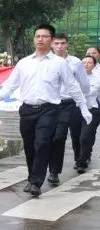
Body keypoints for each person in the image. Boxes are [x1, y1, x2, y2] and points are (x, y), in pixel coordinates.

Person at [0, 24, 90, 197]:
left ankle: (37, 181)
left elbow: (73, 86)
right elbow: (9, 86)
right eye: (37, 36)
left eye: (45, 36)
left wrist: (83, 107)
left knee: (43, 143)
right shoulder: (23, 63)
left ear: (51, 40)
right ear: (34, 39)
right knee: (30, 146)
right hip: (27, 110)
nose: (40, 39)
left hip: (49, 110)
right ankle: (31, 177)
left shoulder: (60, 63)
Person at [46, 33, 91, 185]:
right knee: (52, 137)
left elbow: (84, 84)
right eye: (57, 43)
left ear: (67, 45)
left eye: (63, 43)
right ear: (52, 44)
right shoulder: (45, 61)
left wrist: (82, 99)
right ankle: (49, 170)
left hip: (68, 103)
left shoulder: (75, 62)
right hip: (50, 104)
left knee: (68, 135)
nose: (59, 47)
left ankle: (72, 162)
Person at [75, 55, 100, 172]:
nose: (86, 64)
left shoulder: (97, 78)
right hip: (75, 110)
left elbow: (89, 92)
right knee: (76, 137)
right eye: (83, 62)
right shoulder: (73, 77)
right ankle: (80, 157)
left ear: (94, 65)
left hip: (91, 110)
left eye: (89, 62)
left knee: (85, 137)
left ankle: (81, 161)